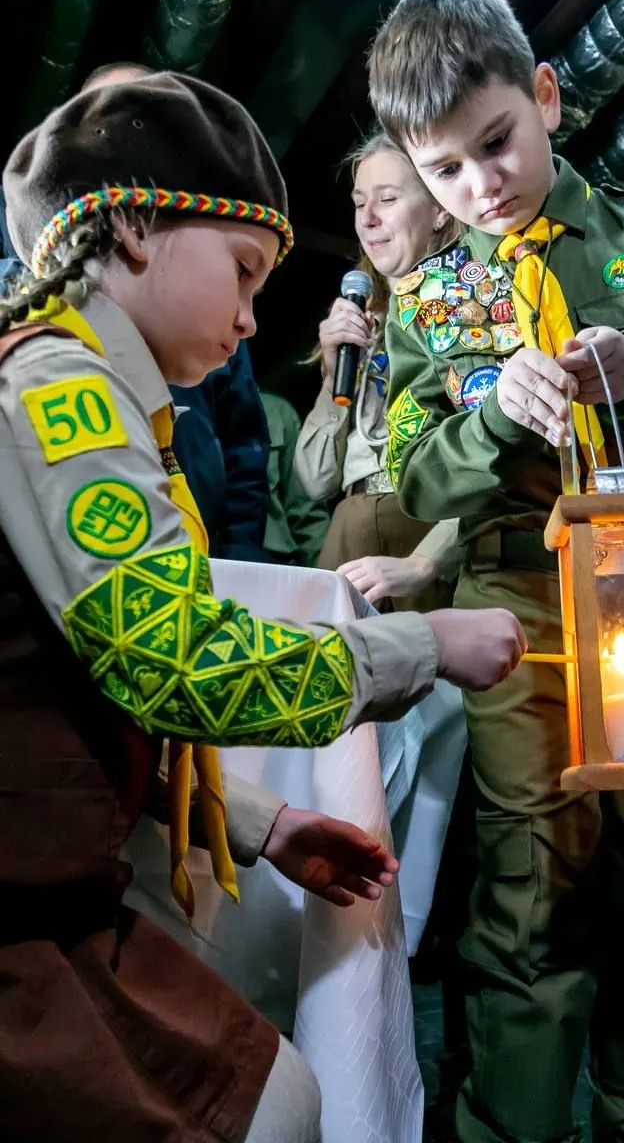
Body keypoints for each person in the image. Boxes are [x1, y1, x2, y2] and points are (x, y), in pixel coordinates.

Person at [0, 70, 526, 1140]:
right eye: (242, 270)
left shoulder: (77, 386)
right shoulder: (58, 393)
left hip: (44, 891)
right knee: (268, 1103)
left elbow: (65, 700)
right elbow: (173, 658)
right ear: (138, 227)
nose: (250, 316)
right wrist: (420, 643)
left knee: (271, 1091)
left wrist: (263, 819)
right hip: (20, 925)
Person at [367, 0, 624, 1143]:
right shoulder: (430, 304)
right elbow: (412, 478)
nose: (480, 185)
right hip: (516, 611)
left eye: (496, 142)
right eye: (445, 169)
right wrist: (495, 417)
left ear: (544, 96)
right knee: (532, 891)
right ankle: (513, 1123)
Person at [82, 61, 274, 561]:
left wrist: (239, 559)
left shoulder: (208, 331)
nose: (245, 320)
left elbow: (244, 446)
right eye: (240, 269)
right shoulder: (40, 354)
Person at [295, 131, 461, 612]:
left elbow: (501, 464)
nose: (368, 219)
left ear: (439, 209)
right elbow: (313, 482)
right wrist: (331, 377)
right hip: (351, 524)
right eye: (359, 202)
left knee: (442, 682)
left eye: (387, 199)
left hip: (431, 527)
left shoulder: (476, 313)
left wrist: (430, 557)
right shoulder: (361, 320)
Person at [261, 389, 331, 565]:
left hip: (271, 561)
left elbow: (305, 511)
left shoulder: (275, 412)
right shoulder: (185, 411)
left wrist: (327, 574)